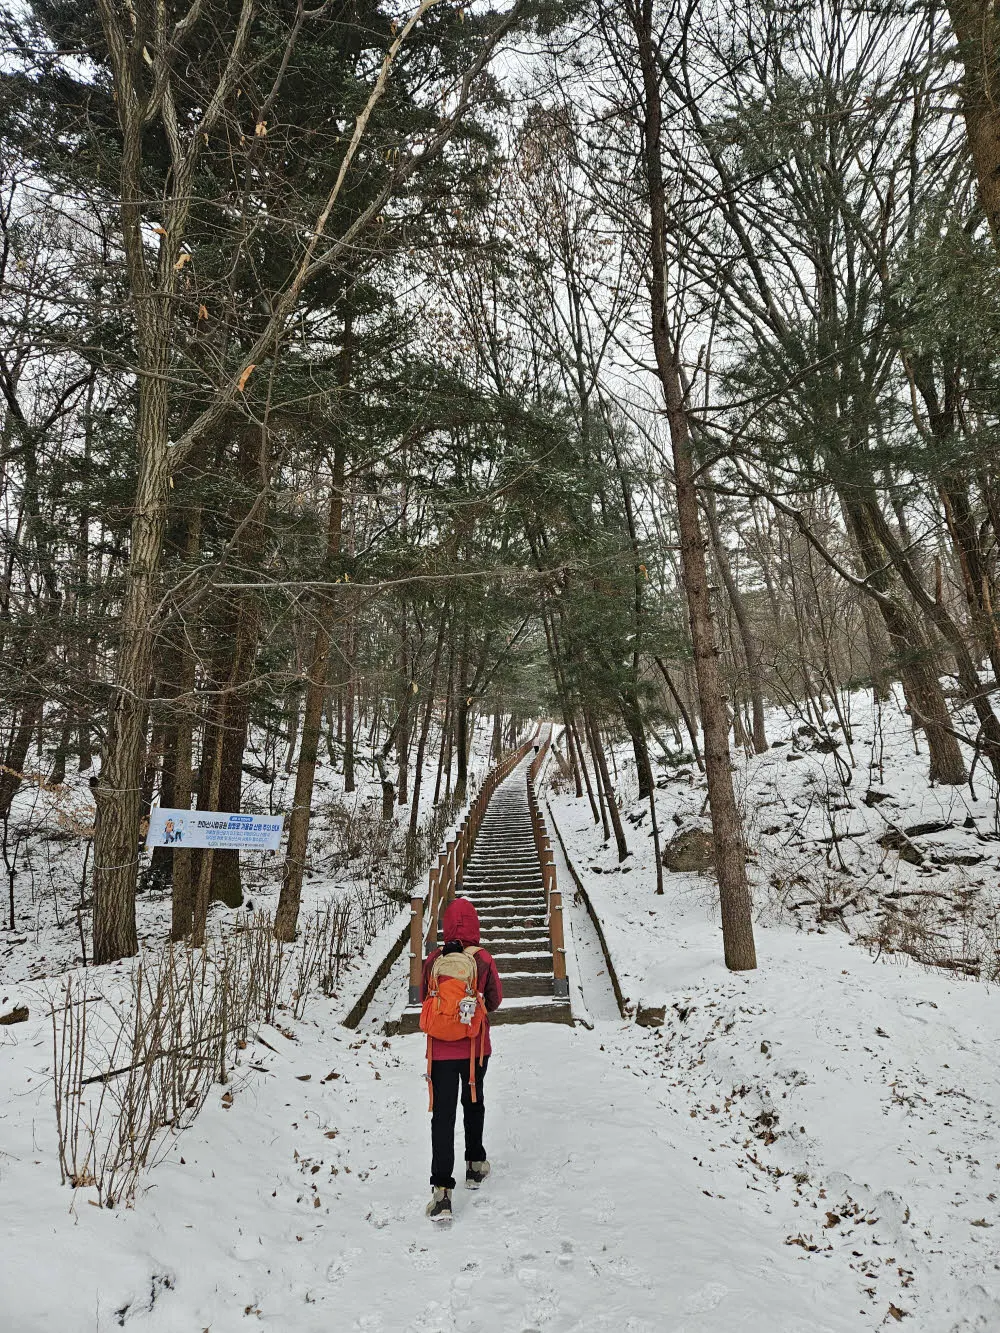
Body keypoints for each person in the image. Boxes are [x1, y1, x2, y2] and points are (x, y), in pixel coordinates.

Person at [421, 896, 503, 1223]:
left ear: (446, 924)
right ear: (475, 924)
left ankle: (441, 1192)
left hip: (439, 1050)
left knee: (442, 1116)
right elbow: (495, 1000)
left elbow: (422, 996)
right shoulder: (482, 959)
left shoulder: (433, 959)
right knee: (473, 1102)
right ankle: (475, 1166)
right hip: (474, 1049)